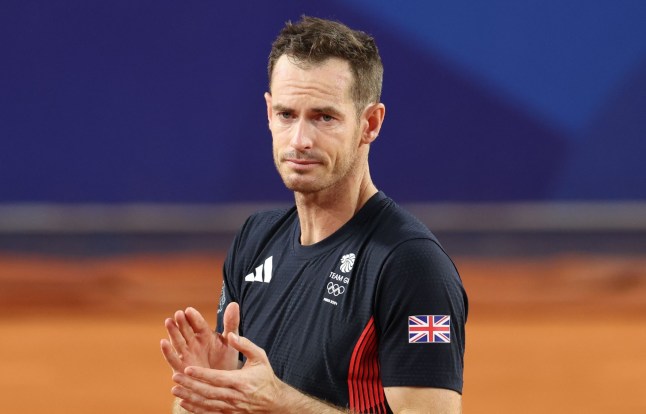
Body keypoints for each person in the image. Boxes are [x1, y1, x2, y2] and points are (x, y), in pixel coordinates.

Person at [161, 16, 468, 414]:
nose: (300, 140)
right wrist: (211, 396)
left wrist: (280, 403)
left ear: (369, 124)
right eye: (287, 115)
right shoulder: (255, 239)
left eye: (324, 117)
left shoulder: (409, 263)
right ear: (269, 113)